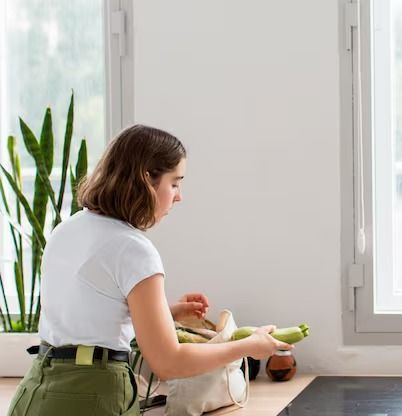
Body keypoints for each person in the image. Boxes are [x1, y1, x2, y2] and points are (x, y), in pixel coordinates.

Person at [6, 125, 292, 416]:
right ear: (146, 179)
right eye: (175, 183)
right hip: (91, 395)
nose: (179, 196)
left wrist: (166, 314)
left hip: (35, 391)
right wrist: (247, 346)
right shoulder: (133, 249)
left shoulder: (67, 229)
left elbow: (87, 320)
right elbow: (168, 362)